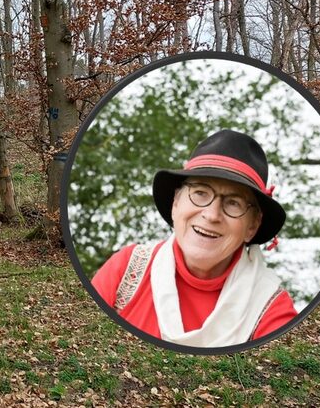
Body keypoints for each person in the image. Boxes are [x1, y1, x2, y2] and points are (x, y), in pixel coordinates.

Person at [90, 129, 298, 348]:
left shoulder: (270, 307)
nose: (211, 214)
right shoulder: (127, 270)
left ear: (252, 226)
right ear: (176, 202)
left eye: (233, 203)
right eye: (200, 193)